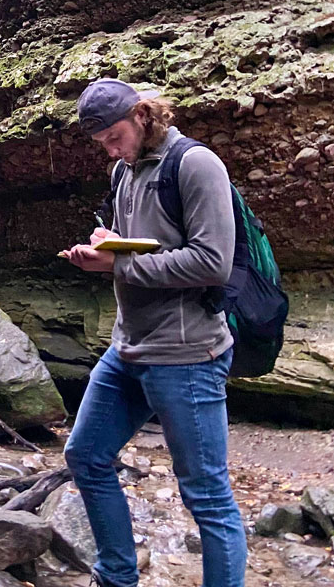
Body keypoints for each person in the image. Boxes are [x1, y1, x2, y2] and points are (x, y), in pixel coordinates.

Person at [62, 78, 247, 587]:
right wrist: (111, 245)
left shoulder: (195, 165)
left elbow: (213, 262)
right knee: (86, 455)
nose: (109, 147)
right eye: (99, 141)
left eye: (114, 135)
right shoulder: (125, 170)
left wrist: (115, 267)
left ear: (143, 116)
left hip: (188, 355)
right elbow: (141, 248)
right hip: (130, 348)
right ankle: (117, 577)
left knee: (206, 495)